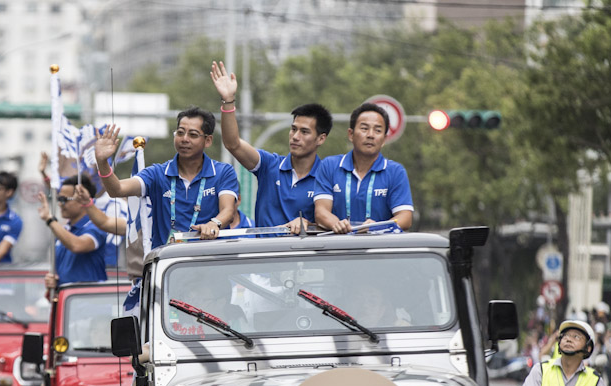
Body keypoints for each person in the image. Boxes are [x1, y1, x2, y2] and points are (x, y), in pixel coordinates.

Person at [210, 61, 331, 233]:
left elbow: (337, 224)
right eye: (293, 129)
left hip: (306, 257)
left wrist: (308, 225)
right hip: (265, 257)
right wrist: (228, 101)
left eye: (304, 132)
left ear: (321, 138)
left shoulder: (328, 176)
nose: (295, 136)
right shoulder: (269, 165)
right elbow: (233, 144)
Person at [94, 109, 239, 250]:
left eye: (193, 135)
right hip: (169, 264)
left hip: (210, 259)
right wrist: (102, 162)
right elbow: (116, 189)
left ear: (208, 140)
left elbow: (228, 210)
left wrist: (214, 223)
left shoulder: (222, 172)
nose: (184, 139)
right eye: (180, 133)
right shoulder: (157, 173)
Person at [314, 102, 414, 233]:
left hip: (379, 249)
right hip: (337, 248)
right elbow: (321, 212)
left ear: (384, 139)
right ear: (351, 134)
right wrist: (338, 225)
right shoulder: (329, 166)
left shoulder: (395, 172)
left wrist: (379, 226)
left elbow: (405, 217)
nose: (370, 135)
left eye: (378, 130)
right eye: (364, 128)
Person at [38, 175, 109, 289]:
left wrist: (50, 219)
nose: (60, 204)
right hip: (69, 302)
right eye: (59, 199)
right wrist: (55, 282)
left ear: (82, 200)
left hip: (92, 302)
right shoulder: (65, 230)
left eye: (64, 199)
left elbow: (77, 245)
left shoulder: (95, 226)